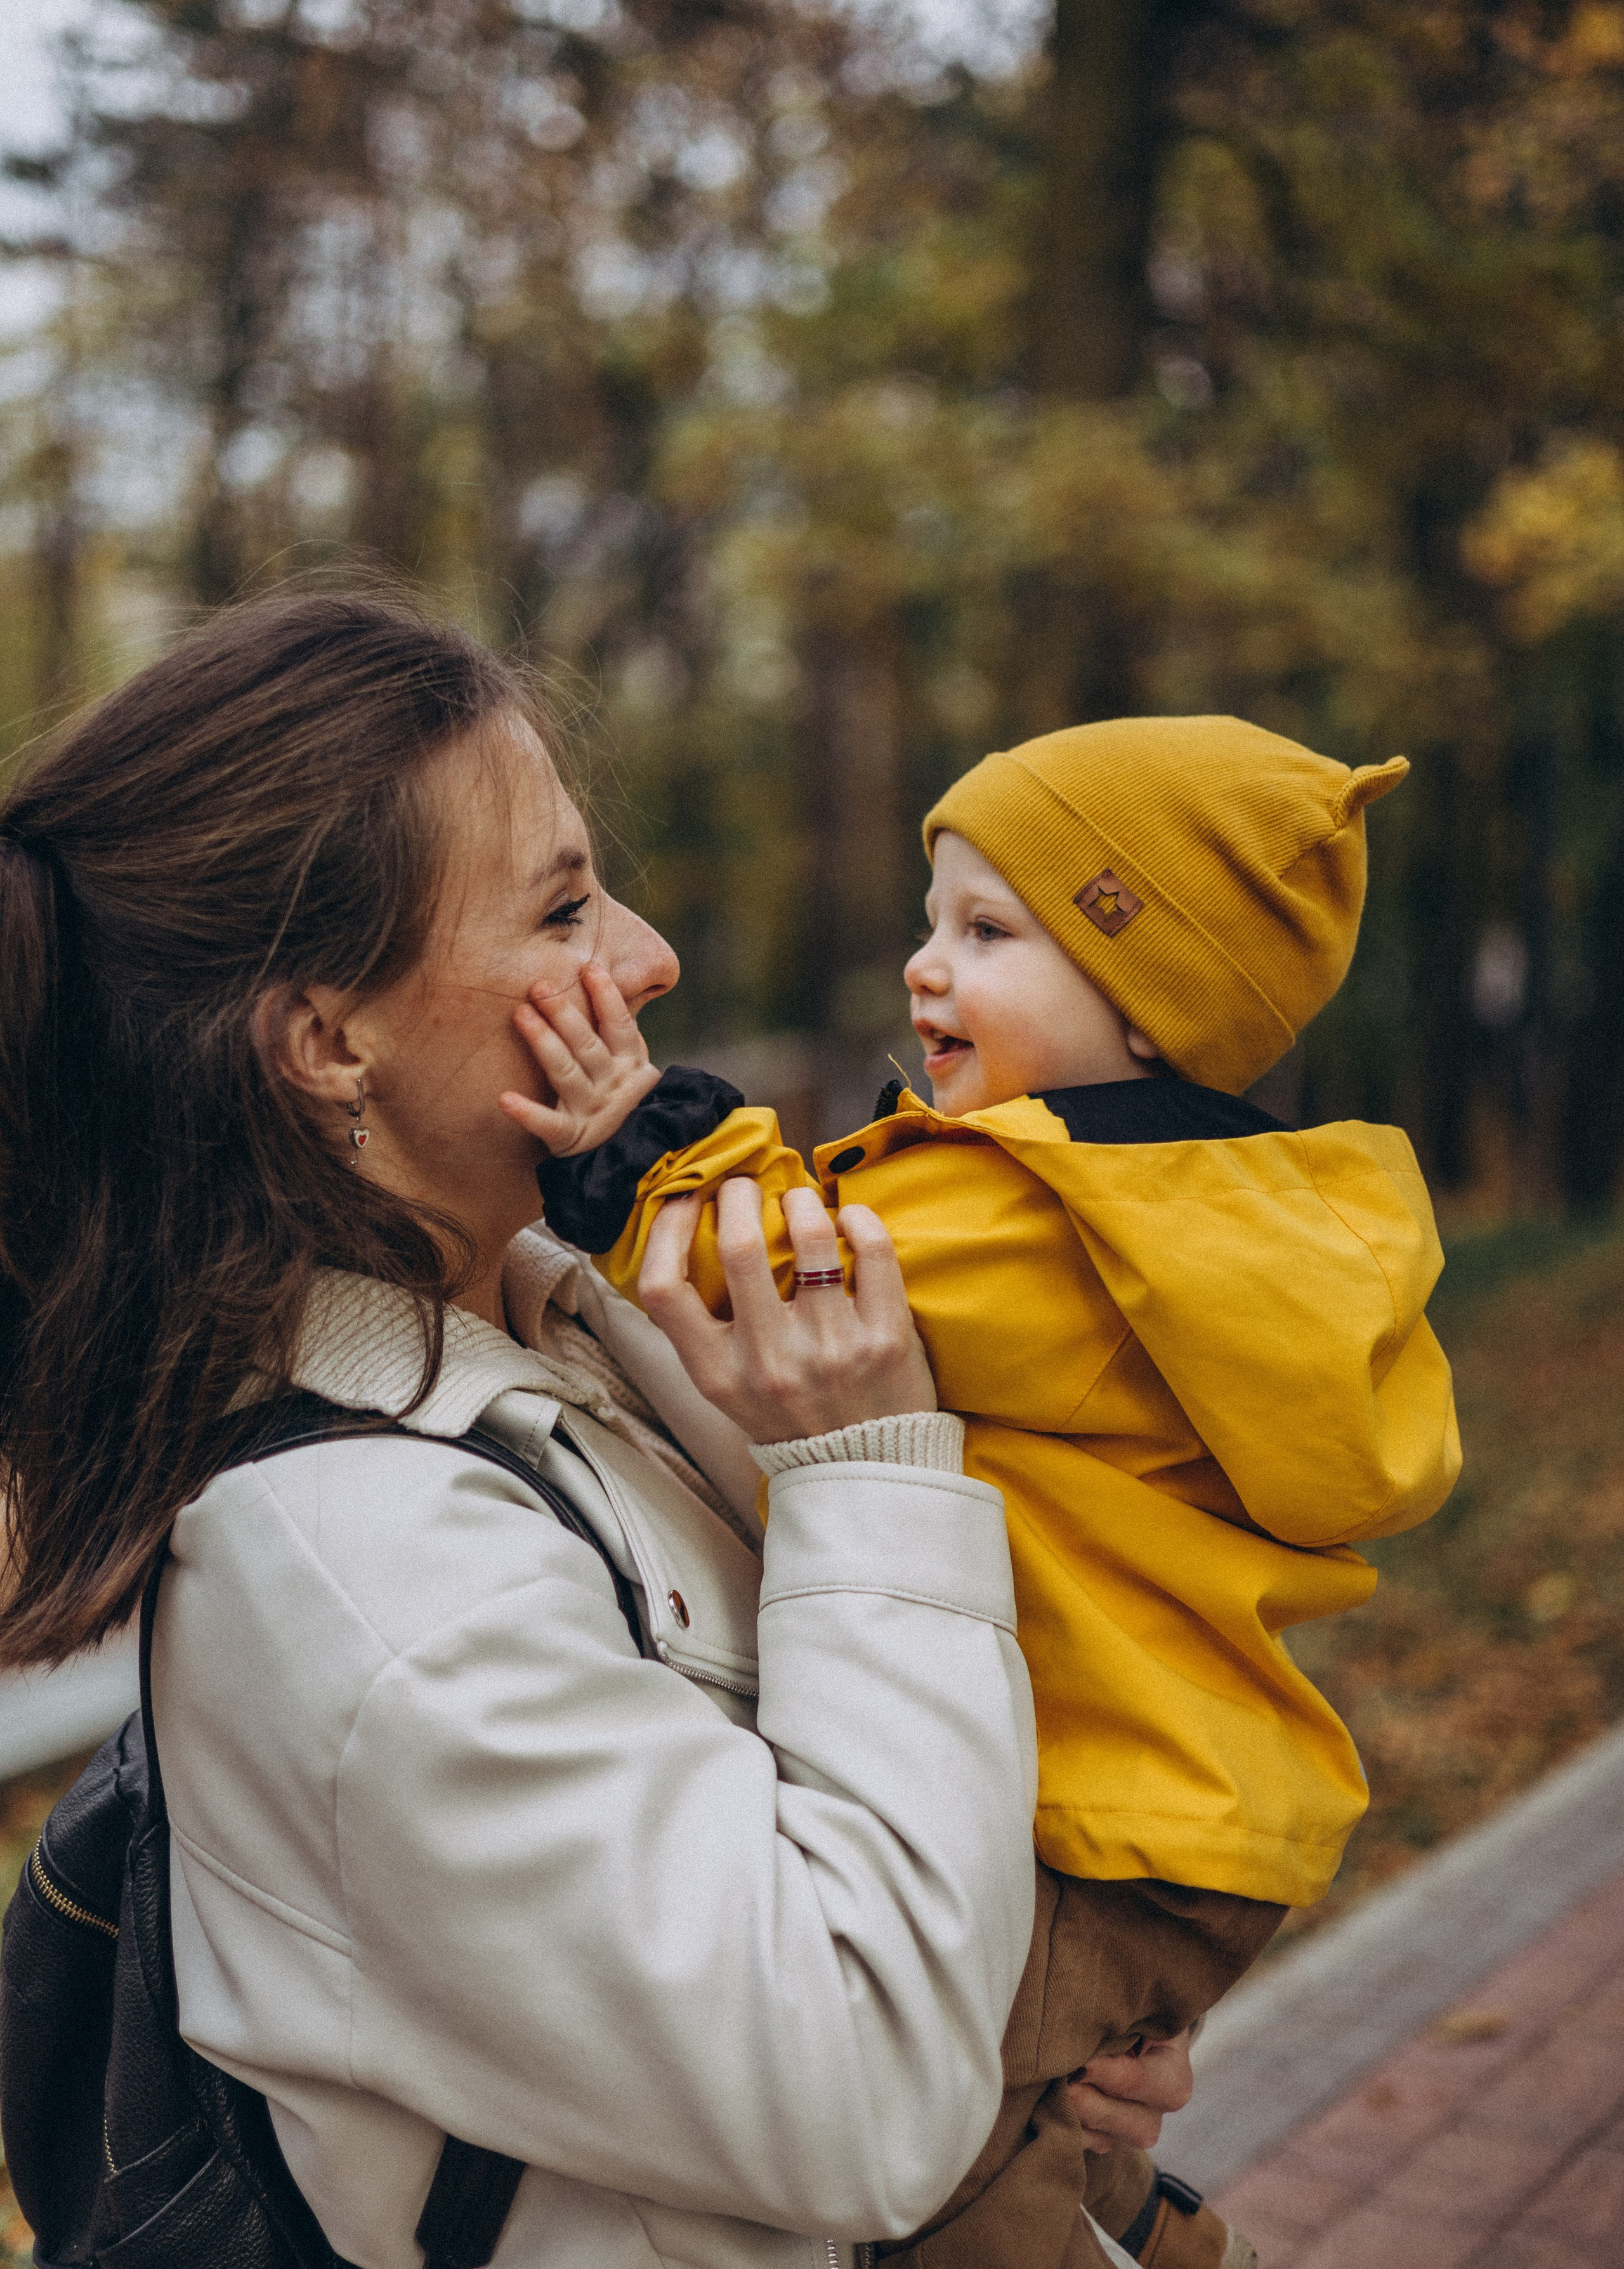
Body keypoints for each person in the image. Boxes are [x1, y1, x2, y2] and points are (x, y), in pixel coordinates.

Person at [0, 587, 1188, 2269]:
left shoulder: (582, 1315)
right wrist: (869, 1464)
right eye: (563, 912)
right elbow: (859, 2091)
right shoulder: (365, 1578)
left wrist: (1048, 2027)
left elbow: (868, 1851)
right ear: (328, 1043)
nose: (645, 959)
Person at [511, 714, 1465, 2269]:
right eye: (931, 917)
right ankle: (1153, 2237)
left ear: (1148, 1005)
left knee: (930, 2135)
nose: (920, 967)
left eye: (987, 930)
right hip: (1192, 1818)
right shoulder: (1236, 1212)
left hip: (1080, 1817)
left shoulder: (1046, 1210)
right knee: (1029, 2112)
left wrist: (640, 1143)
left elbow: (782, 1268)